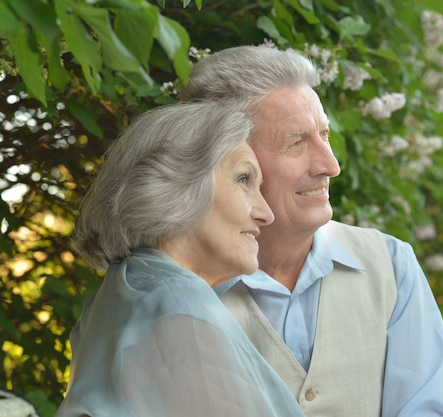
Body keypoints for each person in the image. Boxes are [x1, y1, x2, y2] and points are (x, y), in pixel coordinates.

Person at [180, 45, 443, 417]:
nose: (331, 166)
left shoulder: (391, 266)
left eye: (324, 135)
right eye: (296, 142)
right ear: (230, 160)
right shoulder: (175, 284)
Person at [55, 101, 306, 417]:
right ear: (178, 183)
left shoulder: (128, 293)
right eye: (244, 179)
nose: (265, 213)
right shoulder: (179, 311)